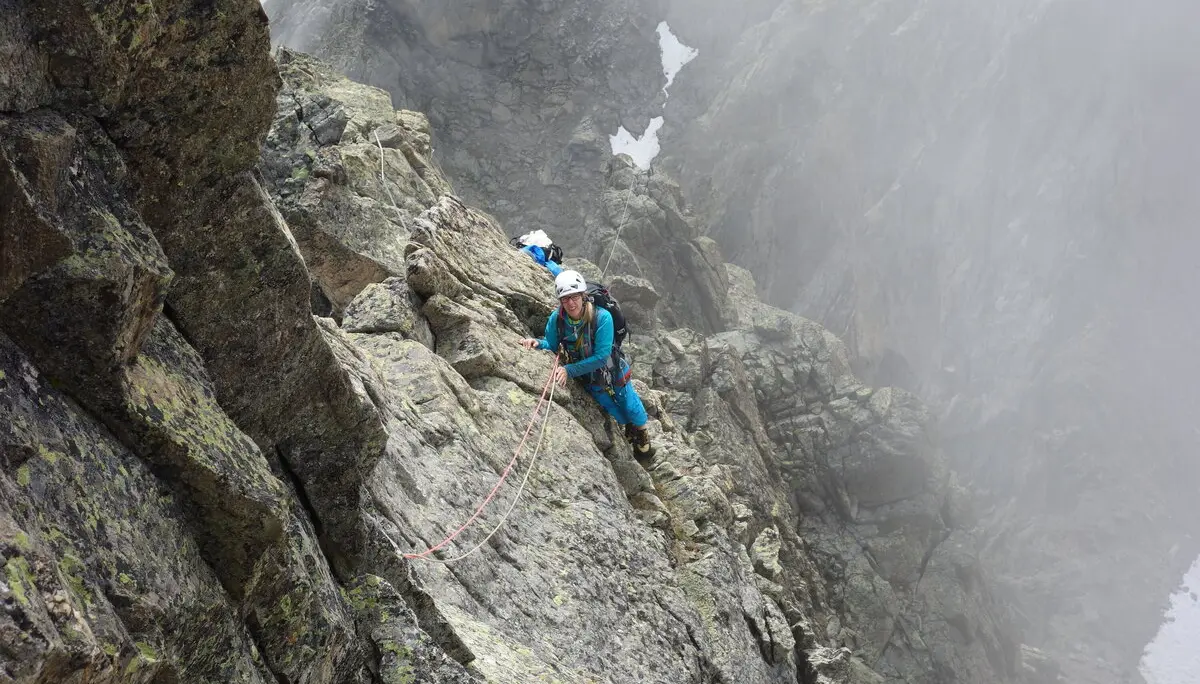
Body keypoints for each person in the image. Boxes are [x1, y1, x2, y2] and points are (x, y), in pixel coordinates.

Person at [519, 270, 654, 461]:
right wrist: (537, 343)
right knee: (613, 409)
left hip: (612, 368)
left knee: (629, 404)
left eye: (574, 297)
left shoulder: (602, 317)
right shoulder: (557, 320)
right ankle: (628, 425)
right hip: (590, 377)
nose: (570, 303)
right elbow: (551, 343)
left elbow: (601, 356)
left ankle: (641, 432)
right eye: (565, 299)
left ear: (583, 296)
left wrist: (569, 370)